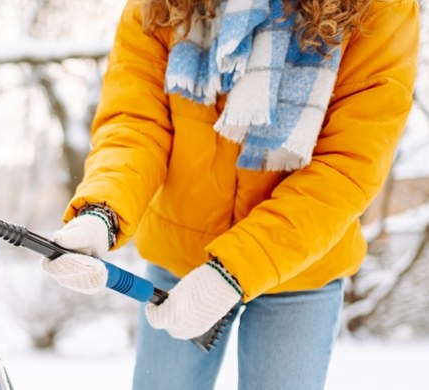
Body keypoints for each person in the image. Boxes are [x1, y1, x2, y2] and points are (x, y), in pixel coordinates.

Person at [40, 0, 418, 388]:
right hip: (179, 259)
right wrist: (102, 211)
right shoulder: (160, 6)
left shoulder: (379, 10)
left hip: (302, 269)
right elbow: (135, 126)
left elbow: (345, 166)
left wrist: (230, 273)